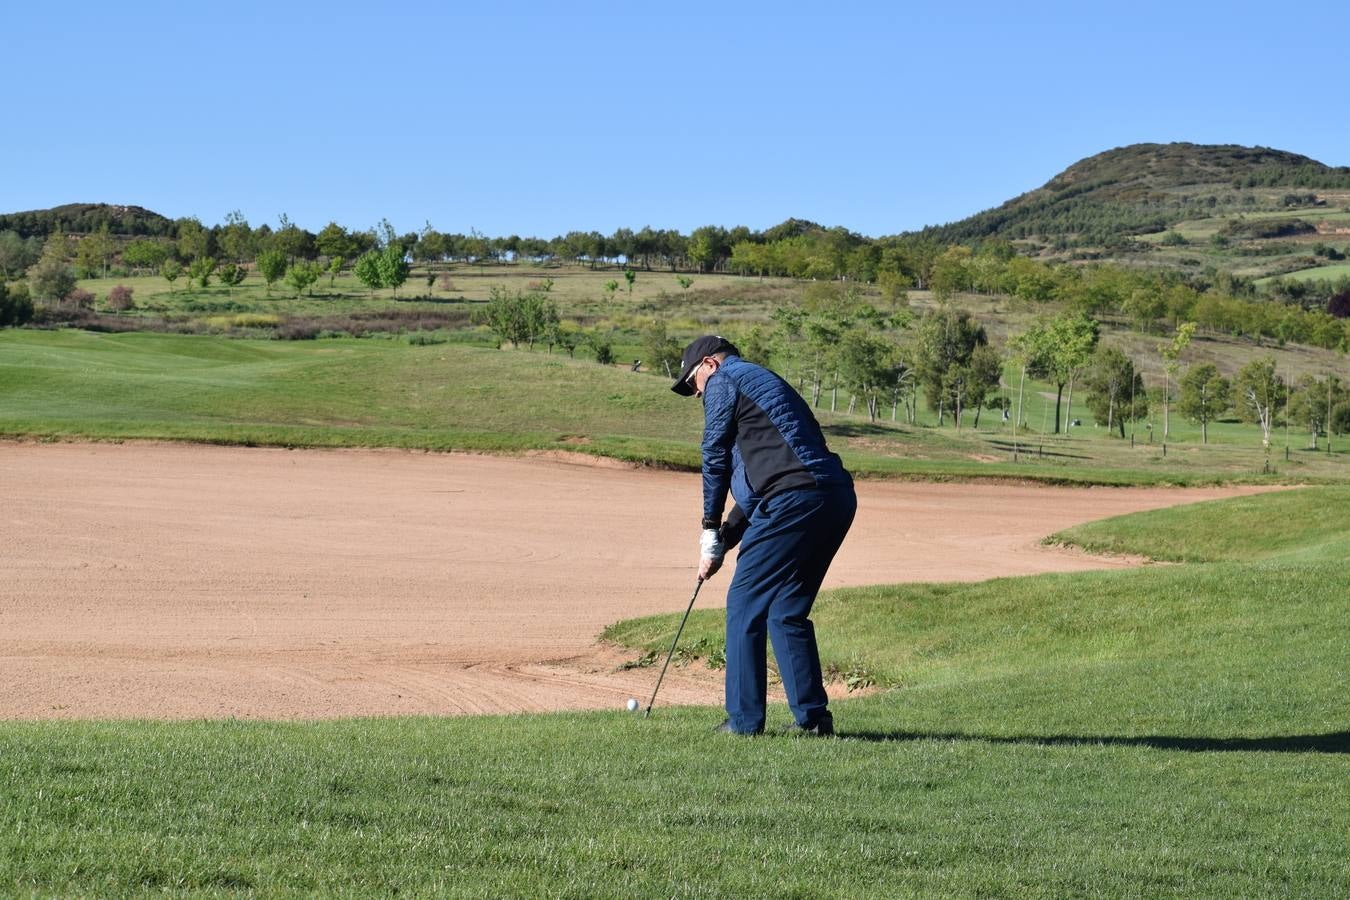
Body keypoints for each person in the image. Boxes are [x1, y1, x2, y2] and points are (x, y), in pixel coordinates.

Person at [671, 335, 856, 736]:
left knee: (743, 603)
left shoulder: (725, 380)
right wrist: (724, 538)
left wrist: (707, 529)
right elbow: (760, 485)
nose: (696, 392)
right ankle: (813, 721)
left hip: (793, 499)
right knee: (785, 609)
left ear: (709, 364)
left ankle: (743, 722)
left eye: (693, 383)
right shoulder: (764, 385)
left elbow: (714, 453)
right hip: (833, 499)